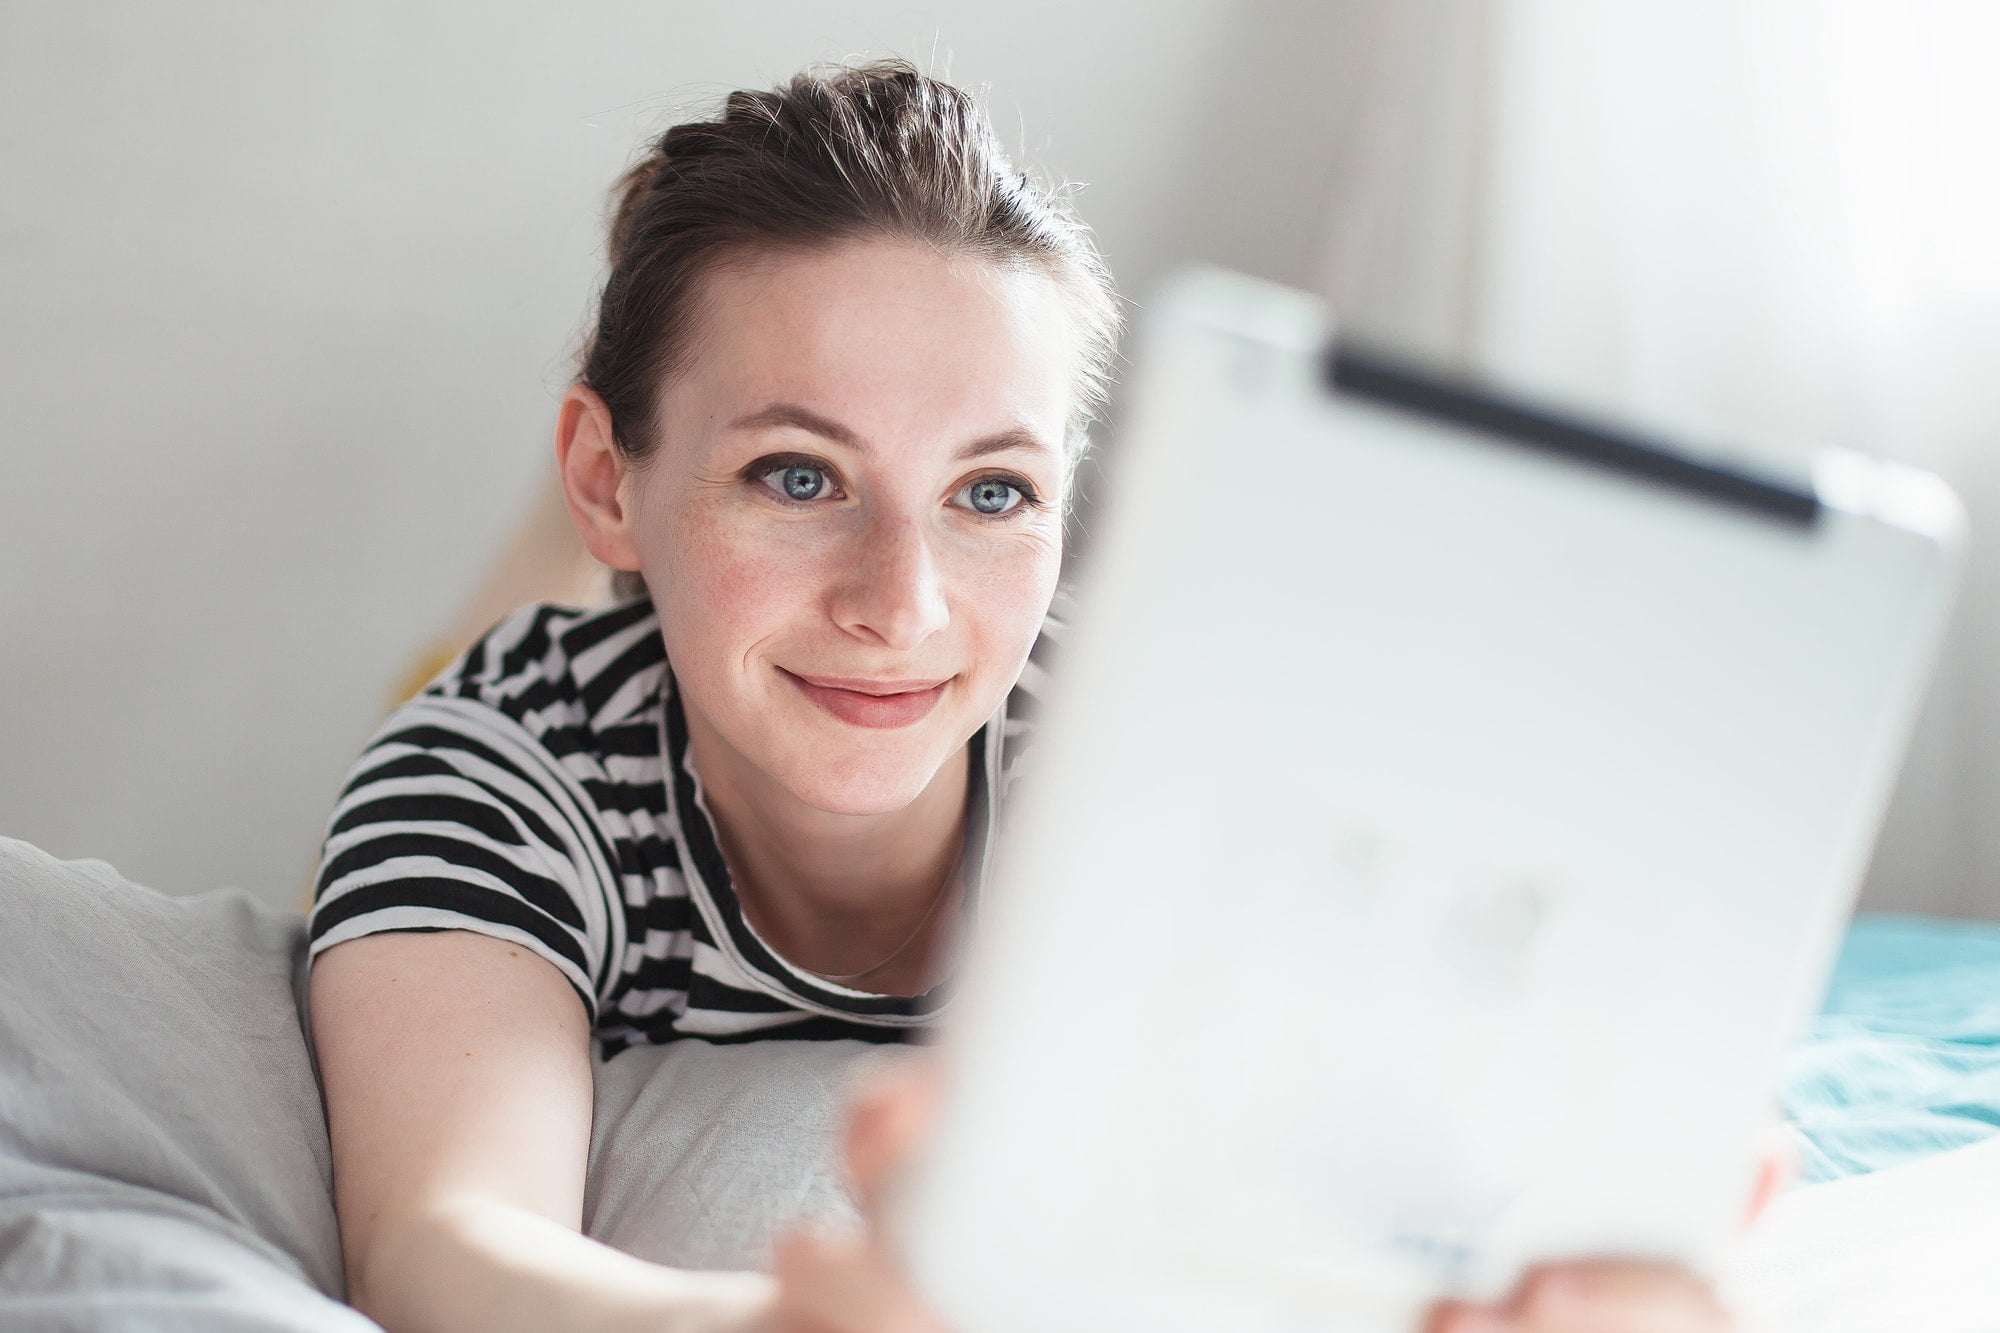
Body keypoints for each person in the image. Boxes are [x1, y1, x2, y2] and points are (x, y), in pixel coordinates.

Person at [306, 59, 1755, 1333]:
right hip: (579, 659)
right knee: (484, 644)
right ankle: (568, 535)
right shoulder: (498, 766)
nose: (906, 602)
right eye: (797, 474)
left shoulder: (1145, 754)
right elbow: (444, 1242)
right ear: (607, 474)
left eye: (991, 489)